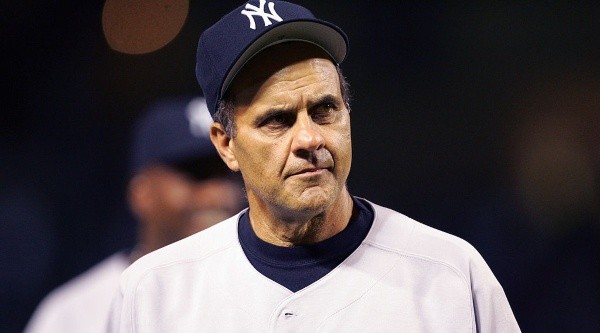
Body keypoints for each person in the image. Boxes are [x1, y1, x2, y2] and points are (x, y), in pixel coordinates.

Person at [109, 1, 520, 331]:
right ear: (226, 145)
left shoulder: (449, 274)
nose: (309, 139)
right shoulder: (154, 292)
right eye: (278, 120)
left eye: (325, 110)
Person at [24, 96, 245, 333]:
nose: (219, 194)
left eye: (227, 173)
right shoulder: (77, 314)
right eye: (196, 175)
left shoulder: (268, 288)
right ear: (142, 193)